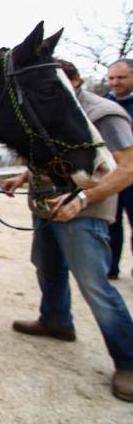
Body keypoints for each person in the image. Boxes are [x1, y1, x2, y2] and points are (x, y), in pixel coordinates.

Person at [2, 59, 133, 402]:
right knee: (49, 269)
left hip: (83, 212)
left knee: (95, 286)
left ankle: (129, 362)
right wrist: (24, 177)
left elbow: (127, 168)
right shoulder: (56, 109)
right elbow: (59, 151)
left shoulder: (105, 114)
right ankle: (56, 320)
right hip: (47, 207)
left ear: (71, 80)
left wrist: (84, 198)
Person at [104, 58, 133, 278]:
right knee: (111, 223)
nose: (115, 82)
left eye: (121, 77)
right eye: (112, 78)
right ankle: (111, 267)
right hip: (112, 173)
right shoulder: (104, 104)